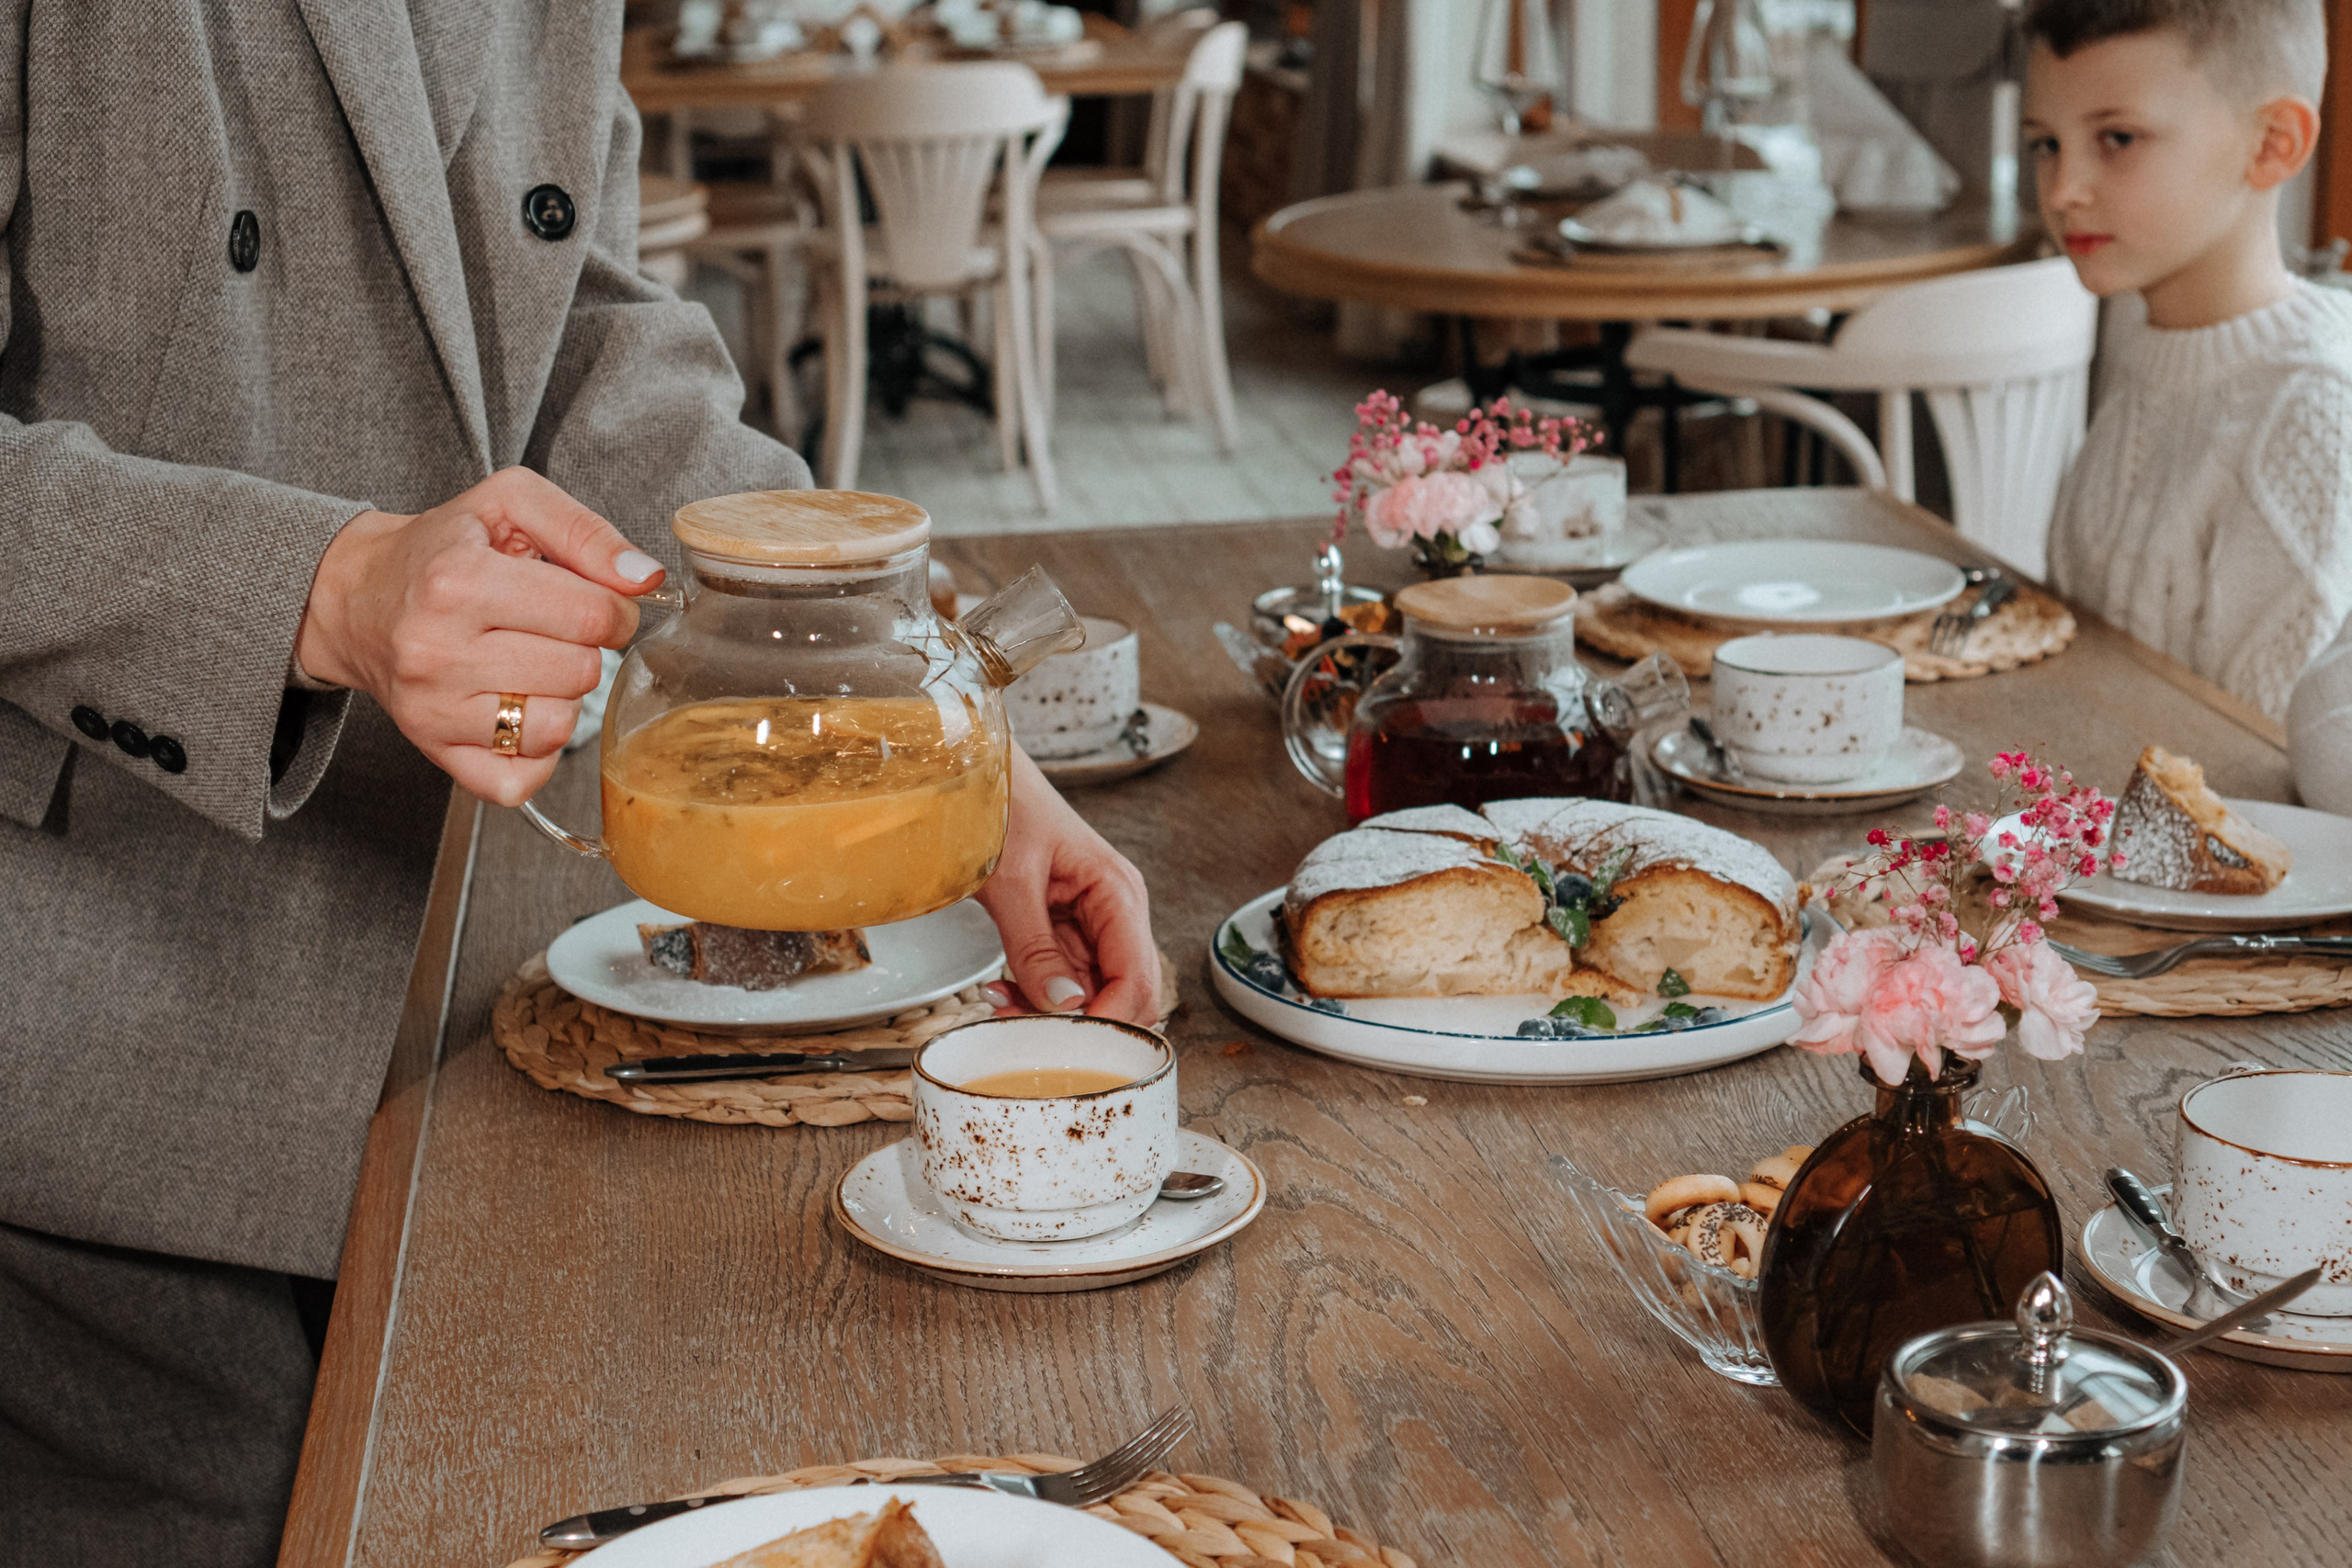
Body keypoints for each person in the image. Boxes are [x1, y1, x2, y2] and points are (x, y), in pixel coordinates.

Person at [0, 6, 1156, 1564]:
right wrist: (321, 586)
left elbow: (588, 323)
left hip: (446, 971)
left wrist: (899, 705)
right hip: (100, 1018)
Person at [2026, 0, 2352, 726]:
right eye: (2045, 143)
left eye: (2117, 137)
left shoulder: (2314, 401)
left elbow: (2261, 764)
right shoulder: (2144, 334)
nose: (2062, 189)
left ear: (2273, 143)